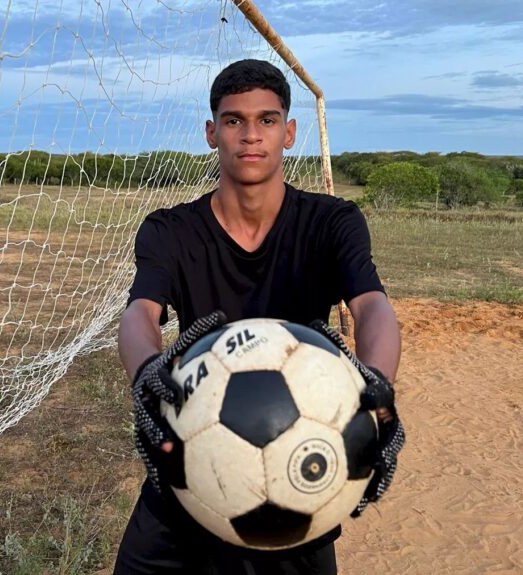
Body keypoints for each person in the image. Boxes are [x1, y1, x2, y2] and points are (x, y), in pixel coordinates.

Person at [113, 59, 403, 575]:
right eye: (234, 121)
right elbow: (141, 311)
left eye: (267, 120)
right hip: (194, 451)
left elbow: (372, 304)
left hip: (300, 467)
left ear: (289, 133)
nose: (251, 136)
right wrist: (145, 377)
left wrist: (377, 384)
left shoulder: (332, 222)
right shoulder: (170, 231)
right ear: (212, 133)